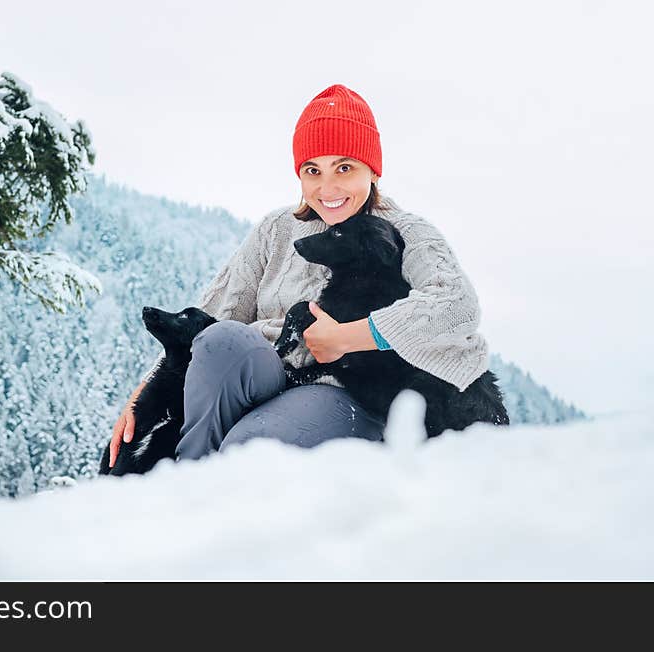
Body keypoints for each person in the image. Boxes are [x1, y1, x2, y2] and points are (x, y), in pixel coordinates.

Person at [108, 83, 490, 467]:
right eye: (313, 170)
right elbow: (213, 315)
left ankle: (222, 484)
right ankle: (186, 476)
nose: (328, 187)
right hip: (268, 371)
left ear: (372, 170)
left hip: (345, 391)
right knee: (220, 336)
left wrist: (348, 338)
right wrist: (143, 397)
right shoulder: (276, 229)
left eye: (344, 167)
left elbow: (455, 303)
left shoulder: (404, 231)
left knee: (249, 447)